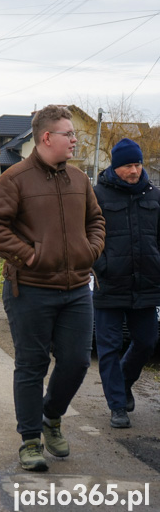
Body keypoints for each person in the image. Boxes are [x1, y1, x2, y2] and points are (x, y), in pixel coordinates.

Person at [0, 105, 105, 472]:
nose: (75, 140)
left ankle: (52, 416)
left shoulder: (80, 180)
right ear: (47, 137)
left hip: (77, 288)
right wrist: (29, 257)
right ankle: (30, 440)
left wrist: (90, 250)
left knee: (78, 362)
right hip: (30, 289)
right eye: (69, 134)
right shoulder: (15, 179)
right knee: (32, 366)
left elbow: (96, 221)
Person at [92, 138, 160, 429]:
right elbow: (88, 237)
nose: (134, 171)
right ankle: (117, 405)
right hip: (110, 283)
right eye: (128, 166)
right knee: (108, 347)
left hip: (146, 283)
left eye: (137, 164)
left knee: (147, 340)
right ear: (115, 167)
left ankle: (124, 379)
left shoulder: (155, 196)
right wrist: (101, 265)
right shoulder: (96, 196)